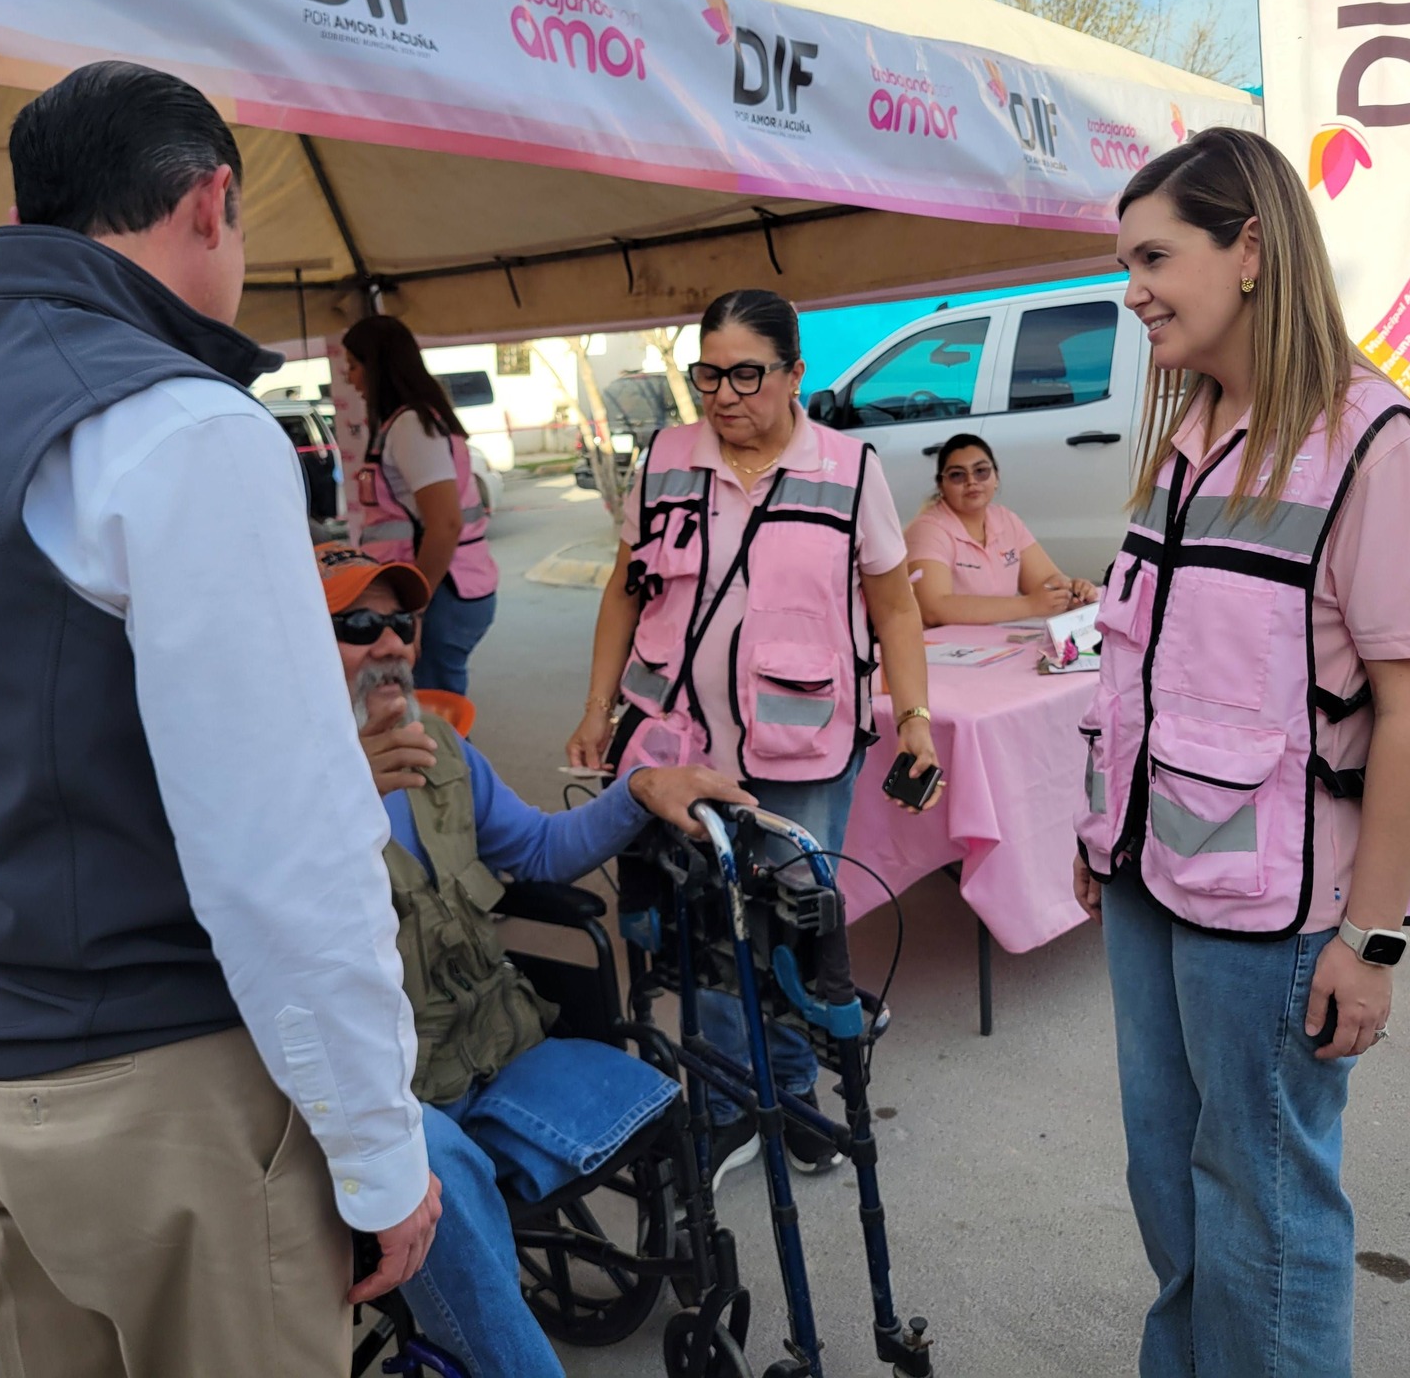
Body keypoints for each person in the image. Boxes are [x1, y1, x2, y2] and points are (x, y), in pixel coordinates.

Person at [0, 62, 439, 1377]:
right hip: (162, 1087)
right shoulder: (179, 425)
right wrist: (380, 1150)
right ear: (211, 201)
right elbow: (283, 847)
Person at [1075, 126, 1410, 1377]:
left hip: (1278, 914)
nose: (1129, 289)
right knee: (1171, 1190)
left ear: (1248, 250)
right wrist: (1104, 833)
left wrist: (1370, 941)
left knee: (1268, 1216)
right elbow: (1146, 663)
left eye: (1151, 256)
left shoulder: (1368, 441)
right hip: (1152, 883)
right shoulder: (1186, 432)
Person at [318, 543, 749, 1377]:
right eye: (356, 624)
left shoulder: (439, 747)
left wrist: (638, 790)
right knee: (437, 1174)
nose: (390, 644)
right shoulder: (265, 786)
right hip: (384, 1094)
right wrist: (338, 794)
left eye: (402, 621)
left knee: (664, 1091)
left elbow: (543, 852)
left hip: (488, 1033)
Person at [566, 287, 940, 1184]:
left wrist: (915, 717)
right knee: (696, 922)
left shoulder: (850, 470)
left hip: (802, 747)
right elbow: (626, 587)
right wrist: (595, 706)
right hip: (678, 746)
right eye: (708, 375)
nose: (725, 395)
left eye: (747, 374)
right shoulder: (664, 458)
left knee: (791, 926)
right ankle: (734, 1102)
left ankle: (792, 1093)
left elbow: (893, 601)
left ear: (794, 373)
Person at [341, 315, 499, 695]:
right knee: (426, 711)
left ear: (378, 366)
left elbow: (445, 524)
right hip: (445, 590)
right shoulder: (407, 423)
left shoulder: (411, 426)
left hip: (443, 593)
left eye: (354, 366)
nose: (350, 378)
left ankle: (456, 758)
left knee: (432, 715)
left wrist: (413, 610)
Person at [902, 433, 1099, 627]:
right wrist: (1029, 605)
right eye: (957, 475)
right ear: (941, 485)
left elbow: (1047, 581)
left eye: (981, 471)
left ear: (996, 477)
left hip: (999, 644)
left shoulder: (1006, 520)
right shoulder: (927, 530)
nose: (971, 481)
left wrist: (1071, 592)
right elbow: (934, 609)